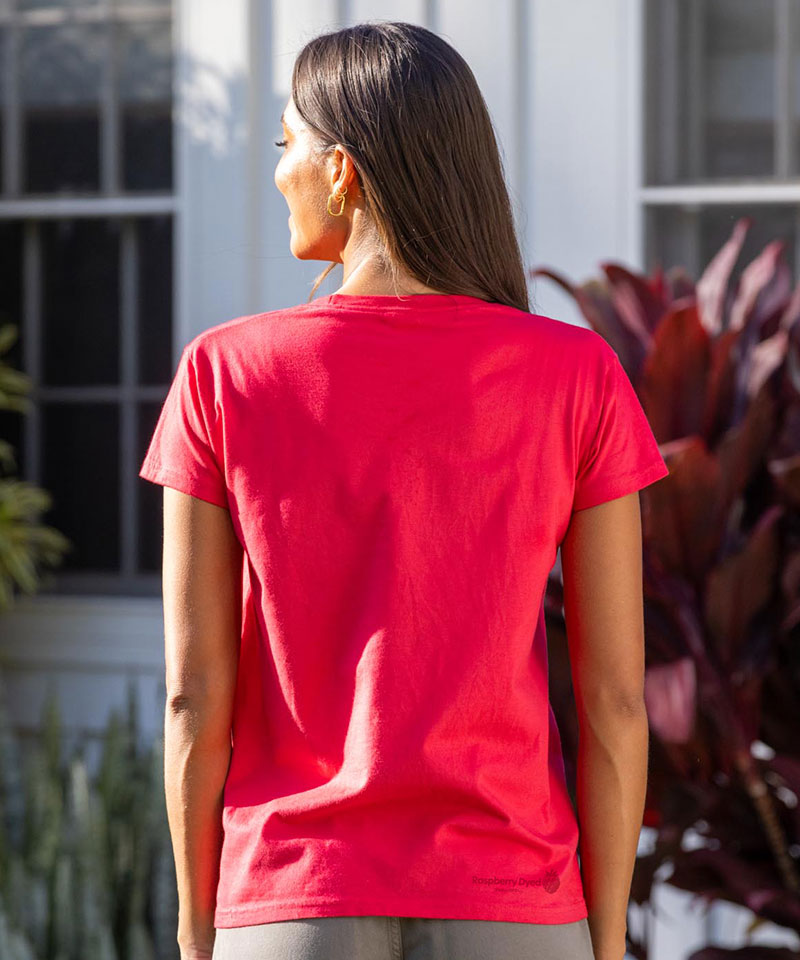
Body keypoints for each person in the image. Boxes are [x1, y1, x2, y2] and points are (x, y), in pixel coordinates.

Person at [138, 20, 669, 960]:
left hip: (293, 900)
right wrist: (607, 936)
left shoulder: (225, 374)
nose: (277, 172)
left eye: (286, 145)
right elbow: (618, 701)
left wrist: (195, 931)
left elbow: (192, 694)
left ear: (341, 170)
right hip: (514, 902)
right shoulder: (576, 375)